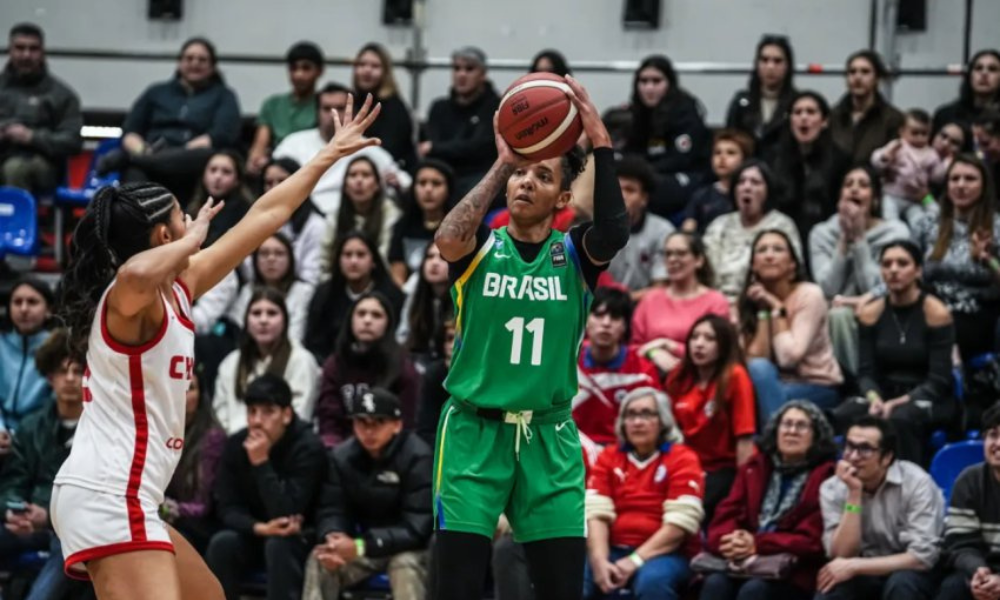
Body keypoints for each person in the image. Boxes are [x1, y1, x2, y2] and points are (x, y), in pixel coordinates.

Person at [50, 92, 380, 598]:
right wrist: (190, 240)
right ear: (165, 235)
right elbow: (135, 269)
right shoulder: (126, 300)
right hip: (107, 492)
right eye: (183, 217)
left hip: (130, 494)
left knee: (209, 595)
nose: (194, 224)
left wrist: (327, 155)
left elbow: (265, 215)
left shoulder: (178, 288)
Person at [431, 76, 628, 600]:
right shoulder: (479, 250)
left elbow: (613, 229)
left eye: (541, 176)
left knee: (561, 589)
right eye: (521, 175)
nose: (525, 183)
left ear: (562, 196)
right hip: (474, 432)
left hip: (549, 436)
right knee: (455, 588)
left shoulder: (576, 256)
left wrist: (600, 143)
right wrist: (504, 162)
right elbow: (448, 238)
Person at [304, 387, 432, 600]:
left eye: (378, 422)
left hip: (413, 549)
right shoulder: (341, 458)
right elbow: (331, 508)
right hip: (365, 546)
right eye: (362, 423)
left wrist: (361, 545)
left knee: (404, 566)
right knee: (321, 557)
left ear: (397, 425)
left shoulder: (418, 457)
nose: (369, 431)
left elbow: (417, 528)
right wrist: (333, 537)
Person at [834, 241, 956, 465]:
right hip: (884, 392)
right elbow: (865, 371)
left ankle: (906, 489)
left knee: (900, 419)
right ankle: (850, 483)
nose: (893, 269)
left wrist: (899, 402)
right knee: (843, 414)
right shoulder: (870, 313)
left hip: (926, 395)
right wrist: (874, 397)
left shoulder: (936, 312)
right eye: (887, 264)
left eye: (902, 263)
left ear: (918, 270)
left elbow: (939, 379)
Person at [206, 374, 327, 600]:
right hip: (257, 531)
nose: (257, 421)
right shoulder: (236, 444)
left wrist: (261, 464)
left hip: (300, 536)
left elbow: (287, 512)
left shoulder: (308, 447)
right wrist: (259, 528)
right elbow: (226, 508)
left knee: (279, 545)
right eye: (252, 412)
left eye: (268, 412)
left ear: (287, 415)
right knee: (222, 544)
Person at [701, 400, 837, 600]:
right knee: (715, 584)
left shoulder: (825, 475)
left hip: (792, 570)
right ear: (776, 430)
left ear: (816, 435)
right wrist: (729, 540)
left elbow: (812, 541)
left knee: (755, 590)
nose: (792, 431)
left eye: (801, 426)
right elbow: (726, 513)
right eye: (786, 424)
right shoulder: (755, 467)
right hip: (742, 561)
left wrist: (757, 544)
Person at [584, 387, 704, 600]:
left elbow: (679, 526)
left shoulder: (683, 458)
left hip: (666, 554)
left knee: (652, 581)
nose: (637, 422)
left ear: (663, 421)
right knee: (573, 575)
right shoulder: (609, 456)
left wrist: (635, 560)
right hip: (613, 548)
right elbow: (596, 515)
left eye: (647, 414)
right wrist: (599, 561)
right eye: (631, 414)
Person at [816, 417, 944, 600]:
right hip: (863, 571)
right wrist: (854, 492)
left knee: (902, 583)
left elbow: (922, 557)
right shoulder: (833, 487)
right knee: (831, 588)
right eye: (849, 446)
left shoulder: (916, 483)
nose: (853, 457)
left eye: (865, 449)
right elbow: (842, 555)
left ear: (887, 457)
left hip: (911, 570)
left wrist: (855, 566)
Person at [912, 154, 1000, 417]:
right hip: (930, 303)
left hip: (977, 309)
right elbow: (909, 268)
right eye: (955, 178)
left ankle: (955, 390)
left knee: (946, 323)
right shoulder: (928, 223)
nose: (961, 185)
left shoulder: (996, 226)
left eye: (969, 179)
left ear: (984, 185)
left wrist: (988, 261)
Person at [0, 329, 84, 600]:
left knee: (67, 546)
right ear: (50, 377)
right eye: (63, 371)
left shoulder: (103, 430)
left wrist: (47, 518)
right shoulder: (30, 427)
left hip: (74, 530)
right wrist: (14, 511)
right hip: (27, 525)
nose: (70, 379)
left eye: (78, 371)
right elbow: (12, 482)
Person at [107, 38, 242, 204]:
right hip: (152, 152)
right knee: (134, 173)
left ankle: (130, 158)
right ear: (179, 62)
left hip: (192, 157)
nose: (195, 63)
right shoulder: (155, 92)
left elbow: (221, 135)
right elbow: (130, 131)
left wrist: (179, 153)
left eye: (202, 59)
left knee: (205, 156)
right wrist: (142, 150)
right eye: (189, 58)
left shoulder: (224, 95)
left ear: (212, 66)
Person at [740, 229, 843, 419]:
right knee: (759, 372)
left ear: (792, 265)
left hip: (816, 386)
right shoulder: (751, 301)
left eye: (778, 249)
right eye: (762, 250)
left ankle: (774, 442)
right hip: (773, 386)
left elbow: (789, 357)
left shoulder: (809, 294)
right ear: (753, 265)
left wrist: (777, 308)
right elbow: (756, 362)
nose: (769, 255)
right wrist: (763, 310)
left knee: (765, 400)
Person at [666, 315, 756, 523]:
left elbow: (745, 438)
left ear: (724, 344)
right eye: (695, 337)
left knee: (693, 510)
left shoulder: (735, 376)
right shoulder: (678, 377)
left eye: (709, 338)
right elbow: (668, 430)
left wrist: (744, 487)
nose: (699, 344)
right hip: (686, 464)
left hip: (724, 467)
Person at [275, 82, 410, 214]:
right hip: (302, 216)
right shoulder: (293, 143)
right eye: (327, 108)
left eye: (340, 108)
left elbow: (405, 182)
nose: (333, 115)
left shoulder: (367, 147)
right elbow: (271, 177)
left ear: (353, 111)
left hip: (352, 222)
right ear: (317, 111)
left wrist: (395, 183)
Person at [316, 292, 419, 448]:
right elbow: (329, 420)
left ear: (388, 324)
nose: (367, 320)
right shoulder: (335, 364)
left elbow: (407, 423)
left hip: (392, 450)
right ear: (351, 320)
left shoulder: (403, 367)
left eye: (376, 315)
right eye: (361, 314)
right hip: (343, 451)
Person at [214, 288, 319, 434]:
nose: (263, 320)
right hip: (237, 445)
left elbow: (301, 414)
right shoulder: (231, 363)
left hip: (287, 447)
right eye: (256, 313)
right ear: (246, 320)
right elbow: (221, 413)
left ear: (285, 320)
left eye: (272, 313)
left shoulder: (302, 361)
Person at [573, 287, 660, 463]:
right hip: (573, 450)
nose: (606, 323)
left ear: (626, 326)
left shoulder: (643, 372)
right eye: (598, 315)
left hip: (623, 456)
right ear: (586, 320)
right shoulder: (567, 362)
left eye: (614, 317)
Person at [623, 54, 712, 220]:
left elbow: (682, 158)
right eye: (644, 81)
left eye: (656, 81)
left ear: (669, 83)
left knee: (656, 190)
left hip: (684, 174)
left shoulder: (686, 112)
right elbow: (630, 151)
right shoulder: (636, 112)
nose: (649, 88)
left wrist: (642, 169)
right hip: (647, 172)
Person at [0, 22, 82, 194]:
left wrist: (31, 137)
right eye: (20, 48)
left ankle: (17, 221)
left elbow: (73, 142)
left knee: (15, 168)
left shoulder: (61, 95)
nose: (26, 55)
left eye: (33, 49)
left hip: (43, 163)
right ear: (10, 50)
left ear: (43, 52)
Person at [703, 160, 802, 302]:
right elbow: (706, 272)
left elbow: (793, 271)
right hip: (717, 301)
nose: (747, 187)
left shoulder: (782, 225)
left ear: (768, 190)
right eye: (741, 182)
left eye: (755, 182)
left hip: (763, 299)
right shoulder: (718, 225)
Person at [809, 166, 911, 301]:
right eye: (848, 184)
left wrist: (858, 239)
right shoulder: (821, 234)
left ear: (875, 200)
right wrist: (844, 239)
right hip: (834, 312)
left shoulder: (895, 234)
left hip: (880, 310)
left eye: (863, 185)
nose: (854, 189)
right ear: (839, 198)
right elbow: (828, 289)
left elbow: (875, 289)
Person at [632, 232, 730, 373]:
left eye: (681, 253)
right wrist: (654, 353)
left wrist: (670, 346)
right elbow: (635, 347)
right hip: (650, 377)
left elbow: (718, 350)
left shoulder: (715, 301)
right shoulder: (650, 299)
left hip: (698, 377)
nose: (673, 259)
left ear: (699, 260)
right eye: (668, 254)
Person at [304, 231, 405, 362]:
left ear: (373, 261)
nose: (353, 261)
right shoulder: (325, 294)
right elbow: (314, 342)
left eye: (361, 255)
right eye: (347, 255)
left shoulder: (391, 295)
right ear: (339, 260)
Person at [769, 91, 851, 243]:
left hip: (827, 237)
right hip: (783, 237)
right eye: (797, 112)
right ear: (790, 120)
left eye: (811, 112)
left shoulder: (841, 160)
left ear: (824, 121)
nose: (804, 118)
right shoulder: (774, 158)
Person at [937, 403, 1000, 600]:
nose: (997, 443)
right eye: (993, 434)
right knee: (953, 588)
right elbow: (961, 544)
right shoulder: (969, 480)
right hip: (985, 569)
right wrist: (979, 571)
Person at [420, 46, 501, 198]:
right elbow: (430, 150)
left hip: (479, 177)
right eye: (457, 68)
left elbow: (481, 148)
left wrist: (436, 148)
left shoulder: (495, 107)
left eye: (469, 69)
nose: (461, 74)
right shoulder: (439, 107)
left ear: (483, 74)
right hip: (443, 175)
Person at [162, 368, 226, 553]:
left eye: (190, 388)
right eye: (177, 387)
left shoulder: (212, 438)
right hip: (172, 519)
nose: (183, 395)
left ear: (201, 395)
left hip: (203, 524)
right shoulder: (162, 432)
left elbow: (204, 505)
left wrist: (170, 509)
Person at [247, 42, 324, 176]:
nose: (299, 74)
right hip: (276, 167)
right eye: (294, 68)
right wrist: (257, 161)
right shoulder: (272, 104)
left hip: (312, 168)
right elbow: (259, 148)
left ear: (319, 71)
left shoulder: (324, 105)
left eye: (306, 68)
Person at [318, 155, 402, 272]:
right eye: (353, 175)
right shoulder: (335, 216)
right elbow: (324, 259)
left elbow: (385, 256)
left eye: (366, 175)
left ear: (377, 185)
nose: (359, 181)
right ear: (345, 186)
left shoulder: (391, 214)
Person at [605, 155, 674, 298]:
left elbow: (660, 287)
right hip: (597, 310)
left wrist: (622, 302)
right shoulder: (588, 230)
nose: (621, 195)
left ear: (644, 199)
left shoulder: (663, 232)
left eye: (630, 190)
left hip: (645, 308)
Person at [228, 234, 315, 342]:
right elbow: (238, 329)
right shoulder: (248, 291)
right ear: (255, 259)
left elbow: (298, 334)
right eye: (264, 253)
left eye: (279, 253)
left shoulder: (303, 291)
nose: (271, 259)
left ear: (290, 259)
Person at [725, 34, 797, 161]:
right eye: (764, 60)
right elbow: (729, 141)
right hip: (746, 174)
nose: (770, 67)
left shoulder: (797, 104)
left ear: (788, 66)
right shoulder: (741, 103)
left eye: (777, 61)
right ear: (757, 64)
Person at [872, 108, 948, 225]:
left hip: (915, 199)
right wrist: (885, 157)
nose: (919, 138)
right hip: (892, 194)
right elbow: (876, 160)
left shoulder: (931, 153)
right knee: (890, 218)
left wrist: (944, 167)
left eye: (924, 134)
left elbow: (936, 177)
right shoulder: (897, 146)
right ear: (902, 131)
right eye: (915, 133)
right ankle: (893, 232)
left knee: (918, 221)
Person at [829, 50, 905, 166]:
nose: (857, 77)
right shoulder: (832, 115)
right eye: (852, 72)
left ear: (877, 78)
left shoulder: (893, 118)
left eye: (865, 72)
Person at [352, 42, 417, 171]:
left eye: (375, 66)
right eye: (362, 64)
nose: (367, 70)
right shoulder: (351, 101)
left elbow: (390, 149)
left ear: (385, 72)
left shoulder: (395, 107)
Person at [1, 277, 54, 435]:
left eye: (32, 302)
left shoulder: (58, 348)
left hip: (39, 436)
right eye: (17, 302)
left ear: (49, 310)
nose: (23, 309)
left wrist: (21, 437)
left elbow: (57, 406)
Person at [389, 160, 454, 286]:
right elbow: (397, 277)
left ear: (448, 189)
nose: (428, 189)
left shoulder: (459, 227)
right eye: (422, 183)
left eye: (436, 183)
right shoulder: (402, 226)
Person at [261, 157, 326, 285]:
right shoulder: (254, 222)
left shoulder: (315, 225)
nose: (275, 188)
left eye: (282, 181)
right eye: (269, 183)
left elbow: (311, 278)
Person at [681, 129, 755, 234]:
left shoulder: (752, 194)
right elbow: (687, 234)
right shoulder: (701, 196)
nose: (722, 158)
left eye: (731, 153)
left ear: (745, 160)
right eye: (717, 152)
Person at [397, 242, 453, 366]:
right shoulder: (415, 294)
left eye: (442, 258)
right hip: (418, 363)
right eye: (429, 256)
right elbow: (403, 336)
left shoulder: (462, 300)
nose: (434, 263)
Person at [188, 149, 256, 248]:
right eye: (213, 170)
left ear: (237, 180)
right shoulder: (193, 209)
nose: (218, 176)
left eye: (226, 172)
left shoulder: (246, 211)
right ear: (203, 175)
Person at [933, 49, 1000, 133]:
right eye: (978, 68)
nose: (984, 73)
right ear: (970, 75)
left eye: (992, 69)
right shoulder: (946, 115)